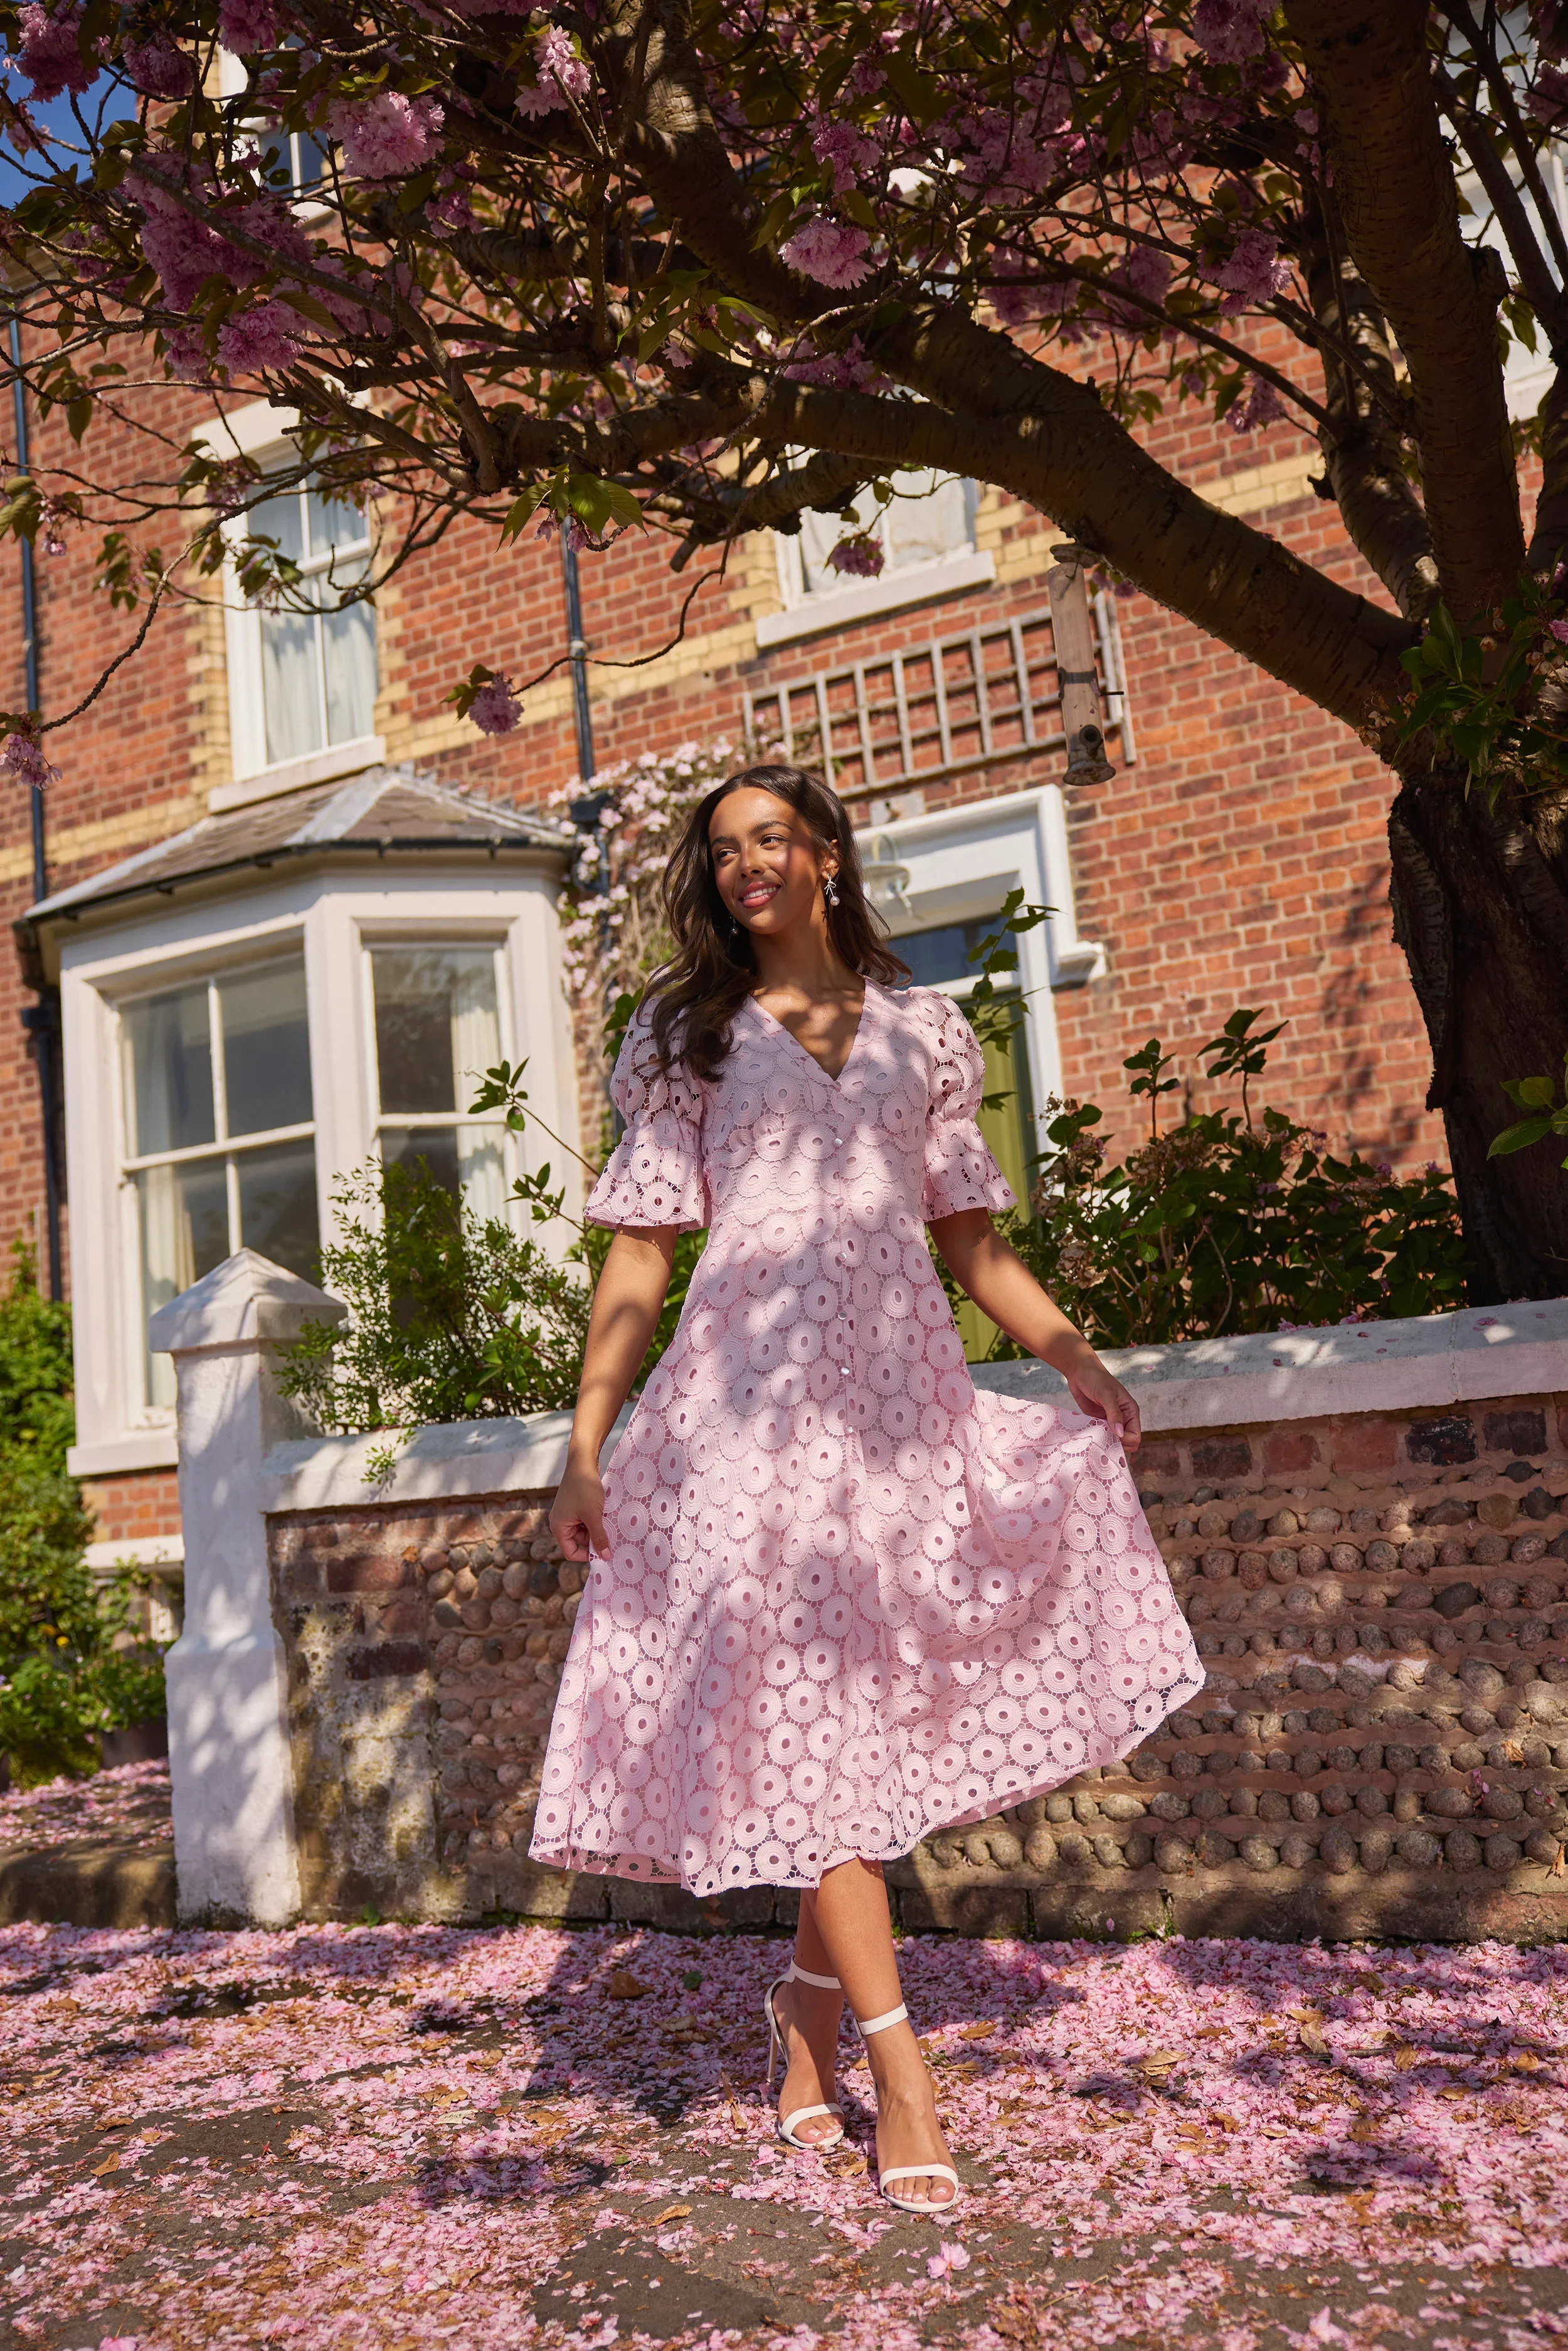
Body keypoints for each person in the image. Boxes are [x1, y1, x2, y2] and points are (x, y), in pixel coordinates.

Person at [531, 764, 1202, 2215]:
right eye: (723, 849)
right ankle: (902, 2078)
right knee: (814, 1734)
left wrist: (1073, 1357)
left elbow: (974, 1244)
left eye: (771, 837)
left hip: (899, 1423)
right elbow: (639, 1254)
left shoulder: (925, 1031)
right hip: (740, 1426)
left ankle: (807, 2006)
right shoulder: (685, 1034)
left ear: (825, 854)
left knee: (851, 1737)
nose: (746, 865)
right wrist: (585, 1443)